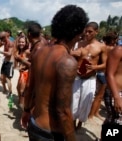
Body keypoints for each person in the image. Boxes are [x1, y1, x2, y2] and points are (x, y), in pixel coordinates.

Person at [21, 4, 89, 141]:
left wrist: (26, 111)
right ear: (78, 33)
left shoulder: (39, 52)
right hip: (51, 133)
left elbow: (29, 87)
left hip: (34, 124)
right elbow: (63, 111)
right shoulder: (67, 62)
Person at [71, 22, 107, 130]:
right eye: (85, 31)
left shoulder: (101, 47)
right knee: (73, 102)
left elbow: (106, 64)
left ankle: (80, 123)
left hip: (89, 79)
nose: (87, 34)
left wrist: (95, 67)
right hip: (77, 77)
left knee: (85, 103)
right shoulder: (79, 44)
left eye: (90, 32)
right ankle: (72, 122)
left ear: (96, 32)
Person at [14, 35, 30, 109]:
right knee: (18, 88)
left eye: (23, 42)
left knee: (22, 91)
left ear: (26, 43)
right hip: (22, 73)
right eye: (20, 42)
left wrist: (25, 66)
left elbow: (33, 63)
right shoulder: (21, 51)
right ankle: (22, 104)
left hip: (26, 74)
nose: (21, 43)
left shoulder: (28, 51)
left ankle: (24, 107)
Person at [0, 31, 15, 96]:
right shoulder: (4, 42)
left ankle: (10, 92)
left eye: (2, 38)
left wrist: (0, 51)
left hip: (10, 62)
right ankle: (4, 89)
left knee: (8, 78)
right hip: (5, 61)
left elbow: (9, 54)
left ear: (5, 37)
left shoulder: (10, 43)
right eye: (0, 38)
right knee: (2, 77)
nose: (1, 40)